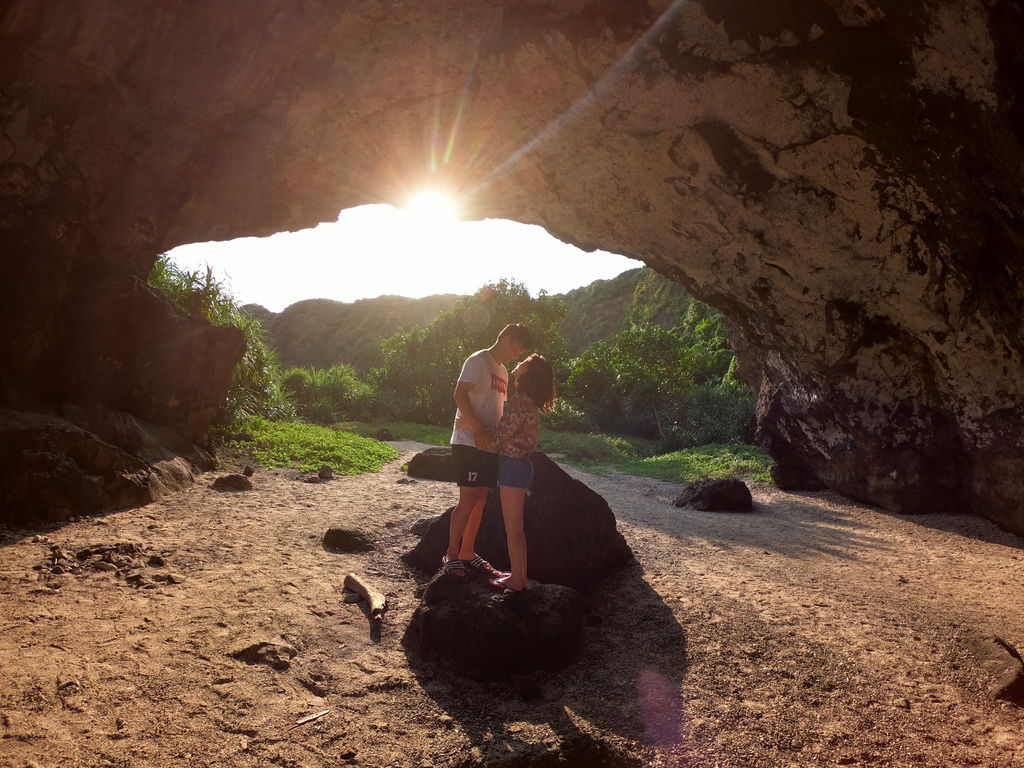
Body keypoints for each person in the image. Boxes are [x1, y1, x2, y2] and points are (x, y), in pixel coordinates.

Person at [444, 324, 531, 580]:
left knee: (481, 499)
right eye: (516, 348)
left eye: (521, 351)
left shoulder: (503, 371)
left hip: (490, 445)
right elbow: (459, 393)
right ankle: (451, 553)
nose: (517, 354)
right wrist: (475, 426)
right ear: (505, 339)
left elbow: (497, 409)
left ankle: (469, 552)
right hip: (469, 442)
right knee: (468, 499)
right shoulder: (478, 360)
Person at [490, 353, 556, 591]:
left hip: (512, 465)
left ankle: (517, 579)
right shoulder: (529, 401)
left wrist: (477, 434)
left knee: (513, 529)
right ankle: (519, 574)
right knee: (515, 528)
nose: (518, 364)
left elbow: (502, 434)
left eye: (524, 362)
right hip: (521, 466)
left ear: (529, 372)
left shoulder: (520, 400)